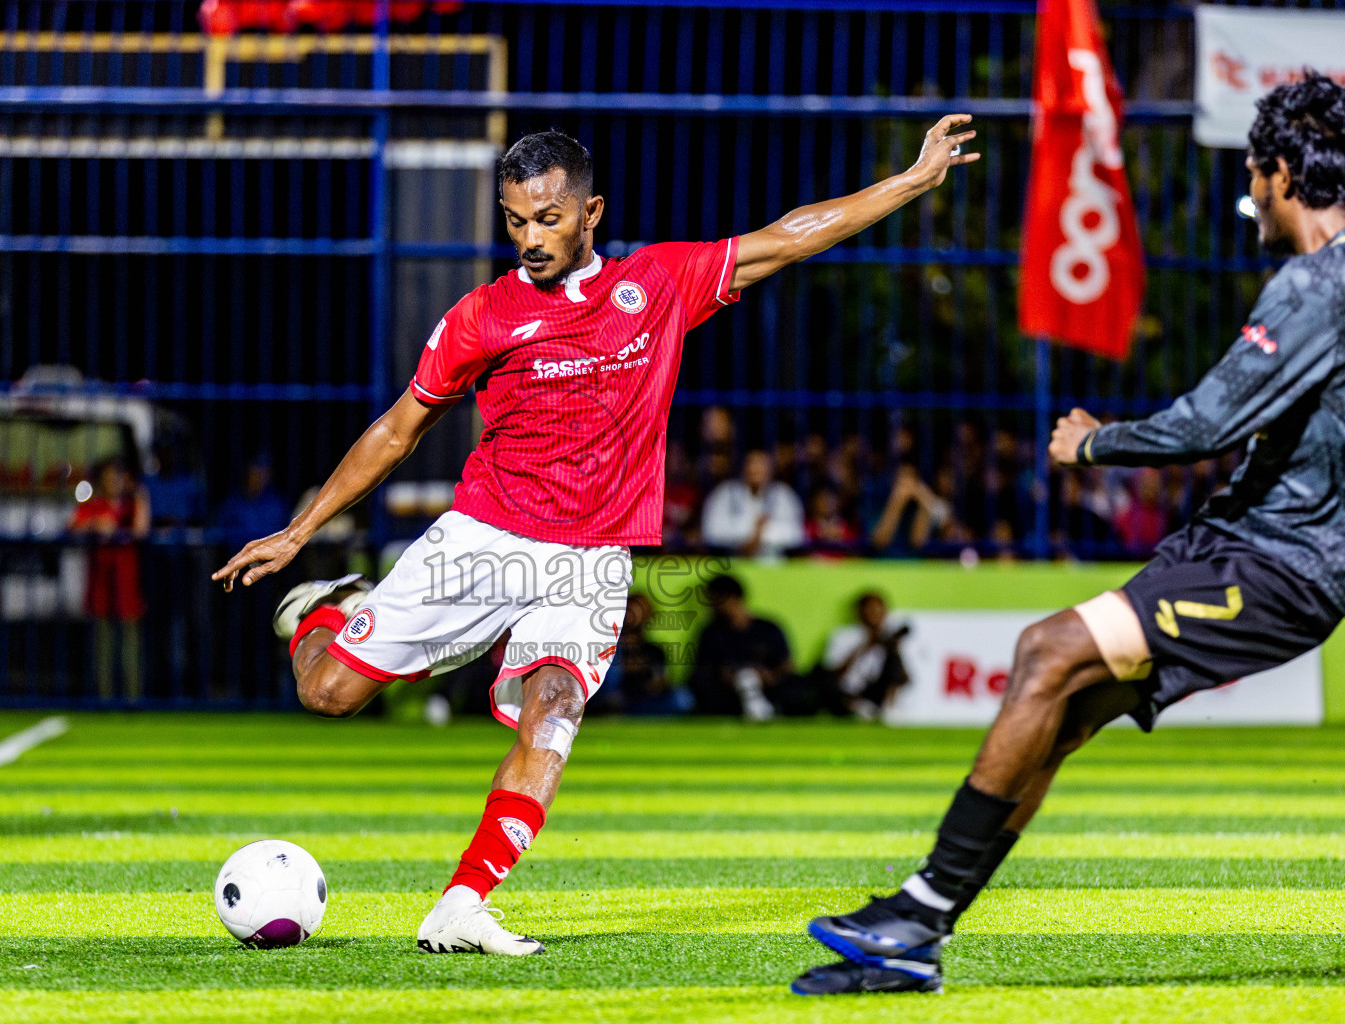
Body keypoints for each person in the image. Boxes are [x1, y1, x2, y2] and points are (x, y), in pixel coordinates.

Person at [214, 118, 979, 955]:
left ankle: (462, 903)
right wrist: (300, 532)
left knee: (556, 708)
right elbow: (398, 429)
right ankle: (330, 608)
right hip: (485, 537)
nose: (531, 238)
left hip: (592, 556)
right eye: (515, 220)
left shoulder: (656, 285)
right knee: (325, 694)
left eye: (547, 218)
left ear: (590, 213)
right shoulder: (482, 316)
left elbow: (786, 238)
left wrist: (908, 182)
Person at [795, 73, 1345, 996]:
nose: (1248, 194)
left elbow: (1203, 424)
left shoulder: (1313, 286)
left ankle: (918, 913)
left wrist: (1092, 442)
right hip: (1250, 549)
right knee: (1060, 710)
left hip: (1275, 564)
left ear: (1283, 173)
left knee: (1045, 651)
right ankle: (917, 933)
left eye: (1253, 175)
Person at [69, 458, 150, 702]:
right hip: (101, 586)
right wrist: (95, 525)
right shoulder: (95, 506)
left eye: (119, 475)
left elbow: (141, 530)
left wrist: (141, 496)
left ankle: (133, 700)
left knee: (130, 646)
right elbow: (72, 527)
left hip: (127, 584)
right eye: (109, 475)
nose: (114, 480)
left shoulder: (131, 506)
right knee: (102, 646)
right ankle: (103, 701)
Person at [687, 574, 795, 722]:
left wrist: (769, 676)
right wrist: (727, 676)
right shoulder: (711, 633)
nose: (710, 606)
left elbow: (787, 664)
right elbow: (703, 669)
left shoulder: (768, 628)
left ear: (731, 598)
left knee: (797, 687)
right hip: (727, 691)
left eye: (714, 599)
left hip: (768, 687)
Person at [820, 591, 911, 720]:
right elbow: (831, 674)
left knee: (893, 661)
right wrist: (865, 646)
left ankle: (888, 710)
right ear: (860, 612)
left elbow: (905, 678)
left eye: (879, 609)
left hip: (874, 693)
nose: (875, 614)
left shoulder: (890, 640)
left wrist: (892, 649)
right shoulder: (843, 636)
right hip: (846, 693)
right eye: (870, 609)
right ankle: (854, 708)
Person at [700, 449, 805, 557]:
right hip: (731, 560)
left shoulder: (783, 495)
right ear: (743, 467)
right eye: (753, 463)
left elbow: (796, 534)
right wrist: (754, 530)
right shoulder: (725, 492)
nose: (757, 469)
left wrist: (761, 533)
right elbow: (712, 531)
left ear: (771, 469)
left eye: (762, 464)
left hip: (774, 563)